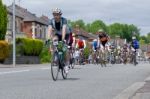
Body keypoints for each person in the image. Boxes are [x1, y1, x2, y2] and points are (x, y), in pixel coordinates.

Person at [48, 8, 71, 73]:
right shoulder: (51, 21)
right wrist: (48, 39)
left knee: (64, 49)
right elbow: (49, 30)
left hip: (65, 35)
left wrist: (63, 40)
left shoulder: (64, 20)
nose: (56, 16)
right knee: (54, 40)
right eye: (54, 15)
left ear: (60, 15)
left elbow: (63, 29)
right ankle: (55, 55)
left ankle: (67, 64)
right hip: (57, 34)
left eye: (57, 14)